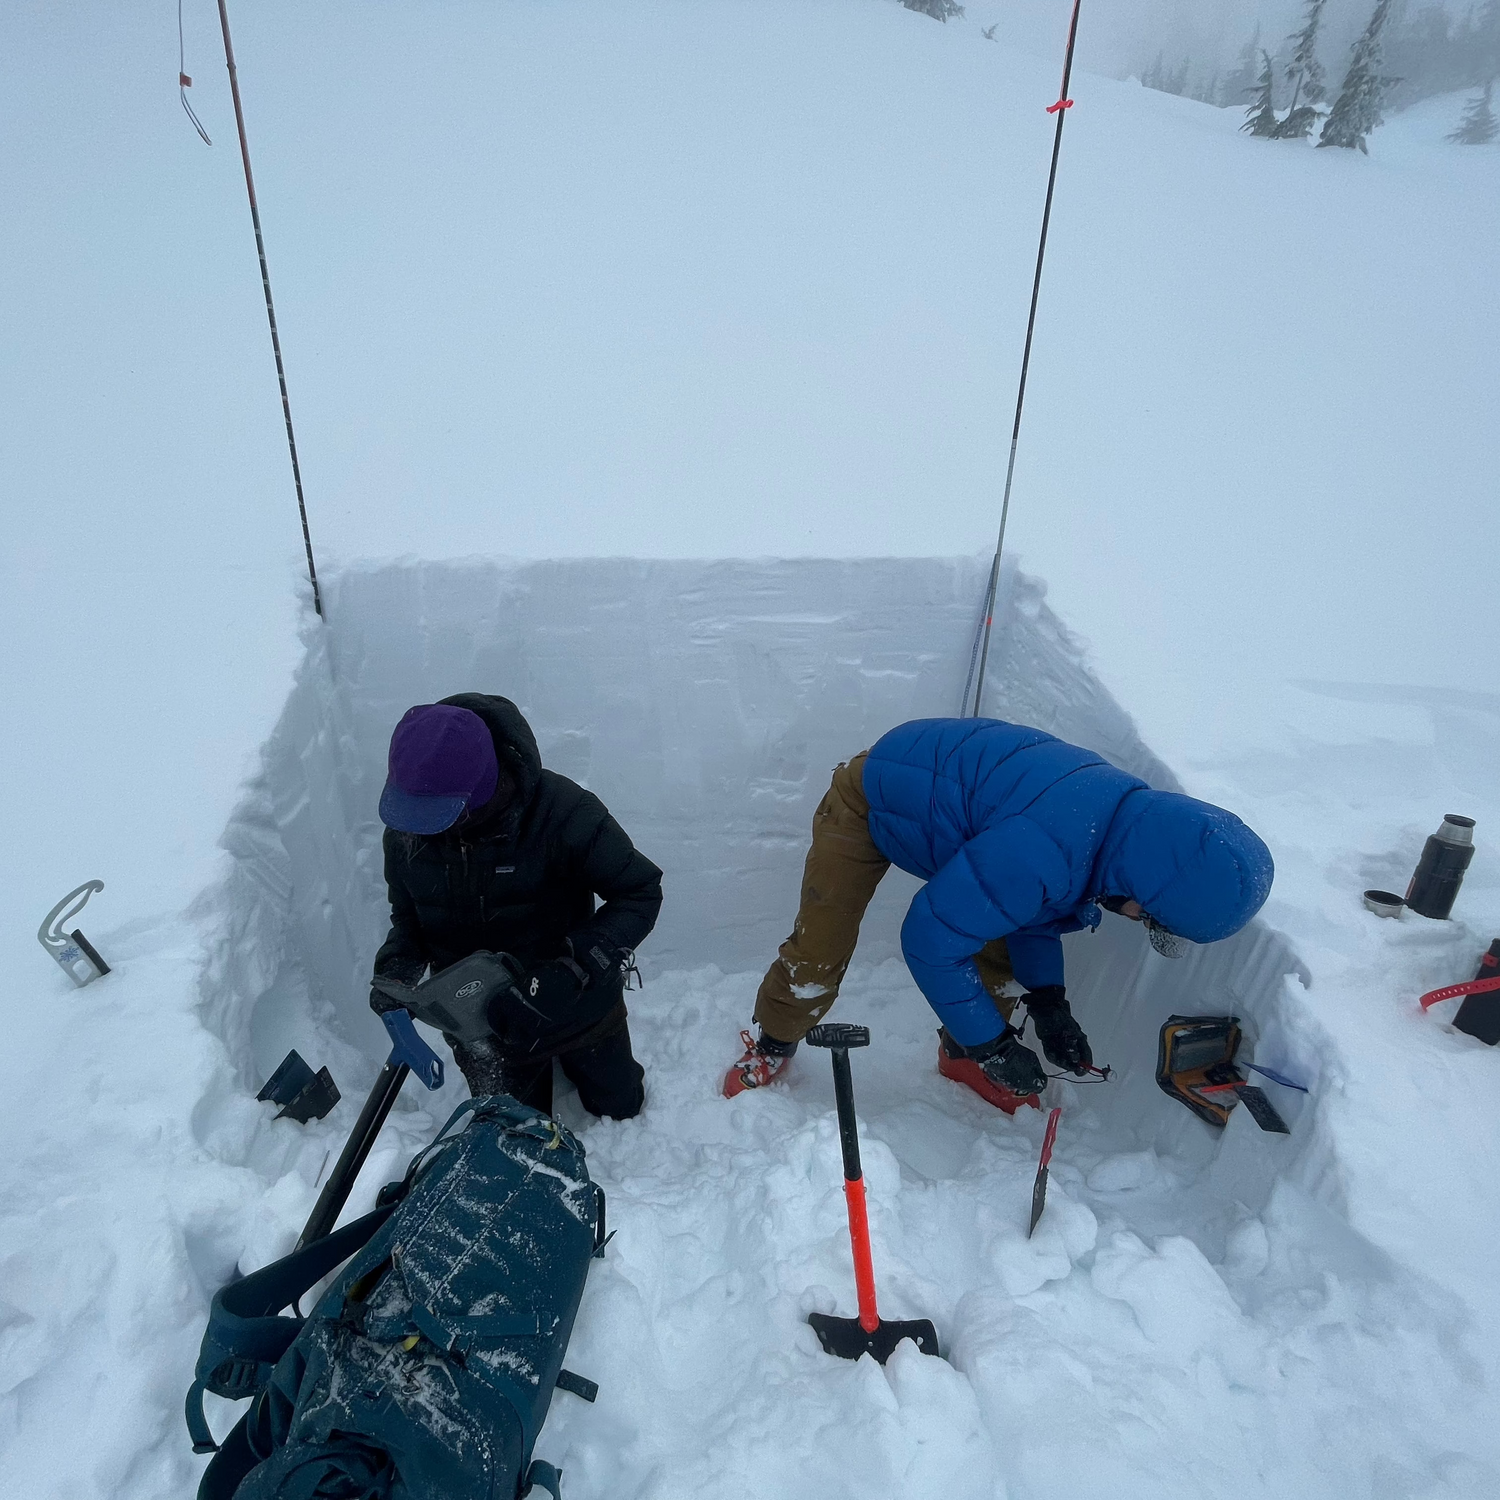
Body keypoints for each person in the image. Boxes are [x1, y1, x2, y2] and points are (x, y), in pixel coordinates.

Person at [723, 717, 1273, 1108]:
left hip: (956, 818)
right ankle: (774, 1041)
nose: (1135, 919)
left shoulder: (1113, 829)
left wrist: (1050, 1003)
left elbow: (1031, 909)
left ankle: (961, 1054)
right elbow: (930, 939)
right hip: (870, 802)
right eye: (1147, 917)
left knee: (1000, 945)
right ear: (1145, 884)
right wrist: (997, 1045)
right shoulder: (1048, 846)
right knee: (823, 944)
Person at [371, 693, 662, 1120]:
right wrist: (397, 968)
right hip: (483, 1025)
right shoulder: (408, 831)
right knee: (513, 1129)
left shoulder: (565, 813)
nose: (423, 830)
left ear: (482, 788)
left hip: (577, 1009)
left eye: (438, 814)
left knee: (620, 1105)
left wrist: (576, 968)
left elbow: (640, 891)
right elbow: (410, 916)